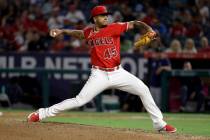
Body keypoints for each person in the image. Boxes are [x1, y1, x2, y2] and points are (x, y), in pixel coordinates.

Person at [27, 5, 176, 133]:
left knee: (143, 89)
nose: (106, 17)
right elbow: (78, 34)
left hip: (118, 72)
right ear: (94, 18)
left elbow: (136, 23)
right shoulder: (89, 32)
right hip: (99, 74)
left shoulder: (115, 27)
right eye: (102, 15)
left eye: (106, 15)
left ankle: (159, 124)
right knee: (79, 100)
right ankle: (41, 113)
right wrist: (62, 31)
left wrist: (149, 30)